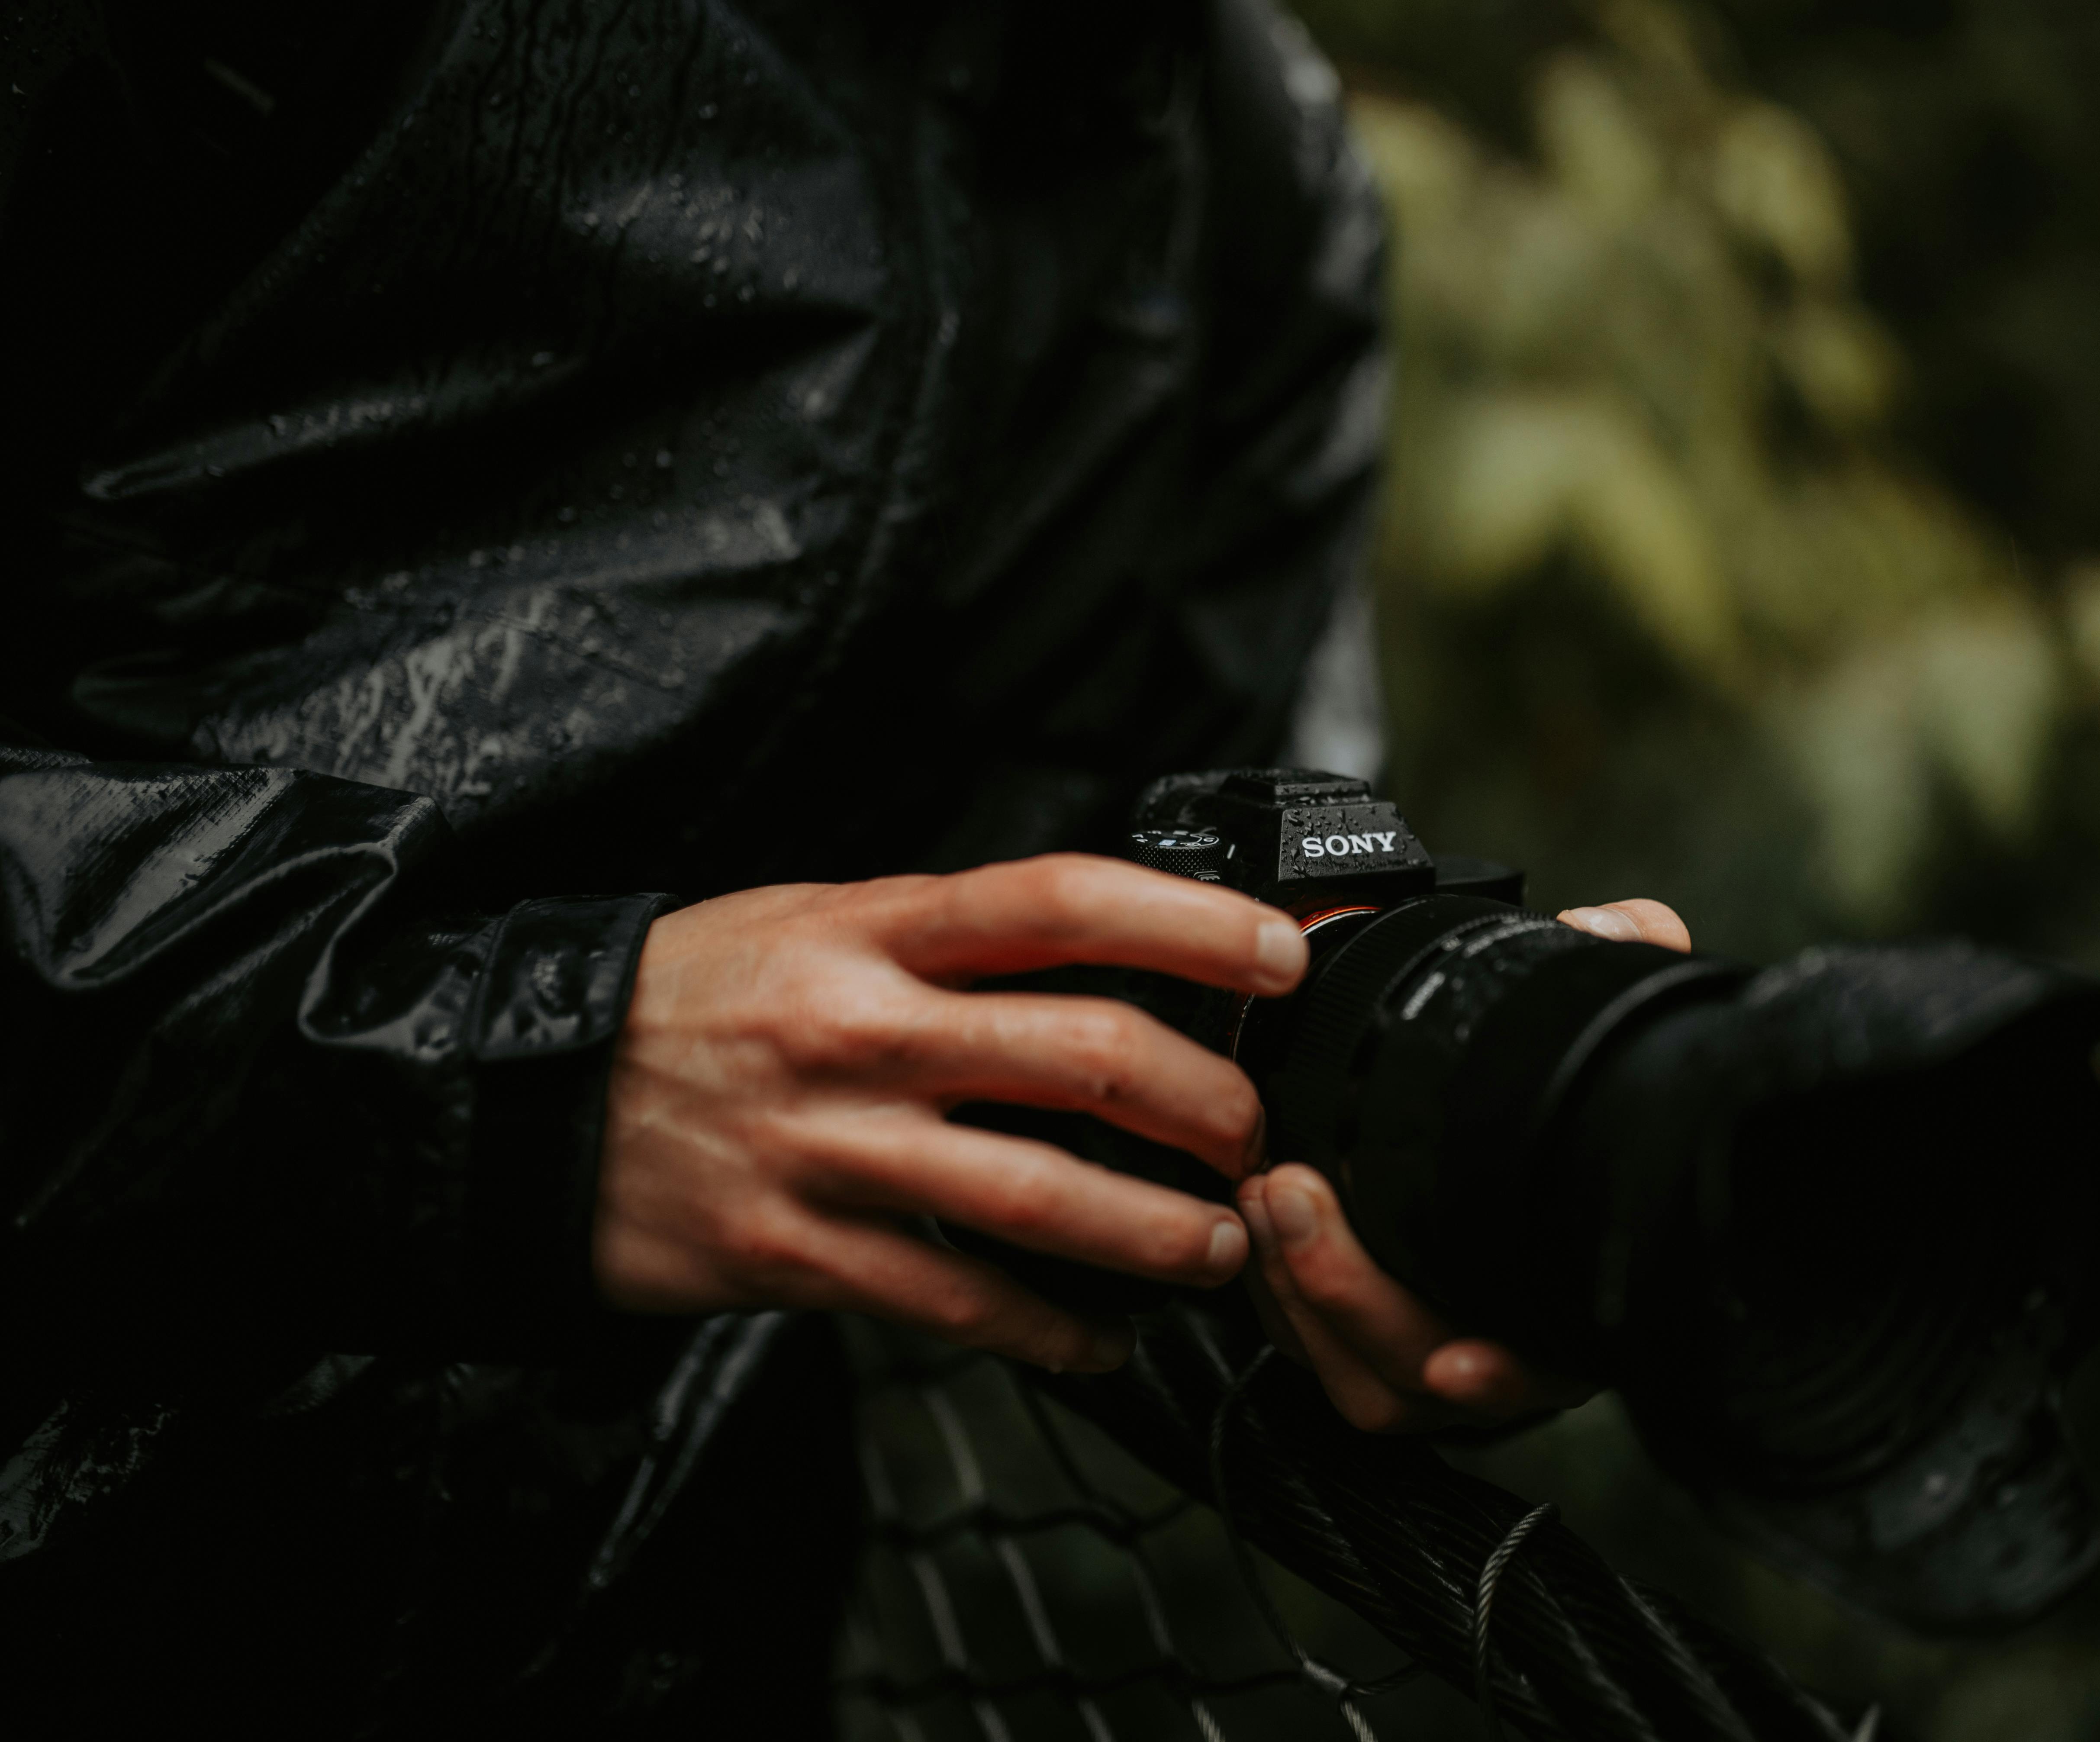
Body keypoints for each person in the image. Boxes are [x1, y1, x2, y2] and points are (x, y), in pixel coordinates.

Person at [0, 2, 1685, 1729]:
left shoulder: (1245, 171)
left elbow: (1193, 968)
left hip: (651, 1635)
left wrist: (1381, 1189)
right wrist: (522, 1071)